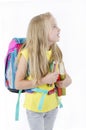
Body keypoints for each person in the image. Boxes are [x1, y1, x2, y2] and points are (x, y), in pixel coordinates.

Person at [15, 12, 72, 130]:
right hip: (35, 108)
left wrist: (66, 81)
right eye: (54, 26)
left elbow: (66, 76)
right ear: (42, 32)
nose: (59, 29)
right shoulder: (27, 54)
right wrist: (43, 80)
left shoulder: (56, 52)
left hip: (52, 105)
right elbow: (18, 84)